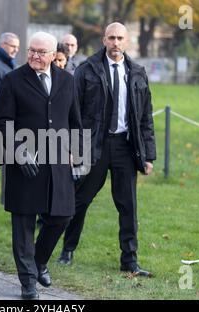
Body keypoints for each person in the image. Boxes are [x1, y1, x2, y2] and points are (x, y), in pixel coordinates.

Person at [57, 23, 156, 278]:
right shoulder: (87, 70)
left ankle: (130, 261)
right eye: (111, 38)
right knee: (81, 200)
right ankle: (67, 251)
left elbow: (145, 117)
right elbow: (73, 112)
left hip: (125, 146)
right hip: (94, 145)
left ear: (126, 42)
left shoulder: (137, 72)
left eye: (120, 38)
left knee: (128, 206)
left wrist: (148, 155)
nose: (115, 42)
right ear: (104, 40)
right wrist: (73, 149)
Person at [0, 31, 82, 300]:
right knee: (23, 226)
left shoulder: (67, 80)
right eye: (31, 50)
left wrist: (78, 156)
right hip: (25, 165)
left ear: (53, 54)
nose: (33, 55)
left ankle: (39, 262)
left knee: (62, 216)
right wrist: (19, 152)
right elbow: (2, 123)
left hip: (57, 164)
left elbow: (75, 121)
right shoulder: (12, 80)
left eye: (40, 52)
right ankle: (28, 282)